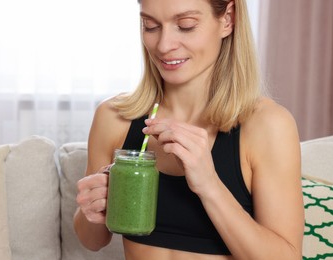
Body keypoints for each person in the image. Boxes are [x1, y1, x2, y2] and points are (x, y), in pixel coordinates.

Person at [74, 0, 305, 259]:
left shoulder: (267, 126)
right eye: (150, 26)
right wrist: (92, 209)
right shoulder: (114, 117)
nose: (164, 45)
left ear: (227, 19)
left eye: (185, 26)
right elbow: (92, 241)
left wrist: (210, 185)